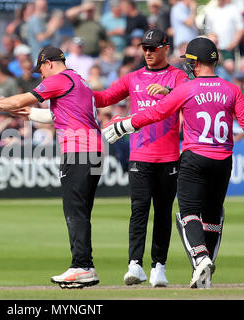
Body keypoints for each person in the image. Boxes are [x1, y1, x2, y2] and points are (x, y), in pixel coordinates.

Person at [102, 37, 244, 288]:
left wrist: (125, 125)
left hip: (194, 157)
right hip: (223, 160)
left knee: (189, 213)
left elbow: (157, 112)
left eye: (189, 61)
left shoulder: (187, 88)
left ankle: (200, 258)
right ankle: (205, 269)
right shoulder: (231, 89)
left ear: (195, 62)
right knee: (212, 216)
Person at [0, 46, 103, 289]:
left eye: (41, 70)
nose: (41, 76)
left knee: (74, 210)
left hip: (78, 149)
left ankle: (81, 266)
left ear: (48, 63)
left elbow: (20, 98)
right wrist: (32, 115)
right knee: (82, 211)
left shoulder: (59, 79)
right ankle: (85, 266)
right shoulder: (79, 79)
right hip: (93, 148)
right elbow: (66, 114)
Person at [92, 29, 188, 287]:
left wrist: (168, 90)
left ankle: (159, 267)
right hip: (140, 155)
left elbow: (189, 96)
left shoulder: (177, 77)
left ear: (164, 48)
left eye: (153, 48)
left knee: (164, 212)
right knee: (139, 210)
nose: (147, 52)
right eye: (144, 48)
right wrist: (79, 91)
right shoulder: (133, 78)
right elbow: (104, 98)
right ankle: (135, 264)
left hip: (168, 156)